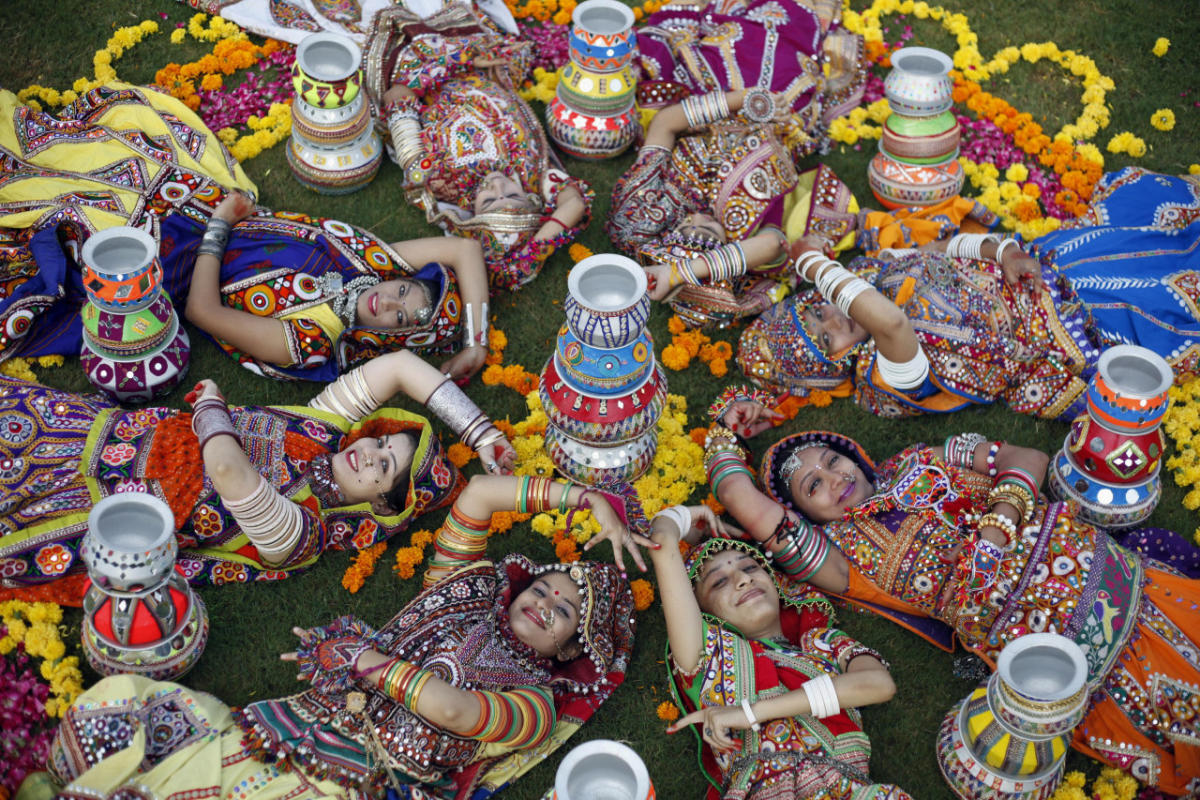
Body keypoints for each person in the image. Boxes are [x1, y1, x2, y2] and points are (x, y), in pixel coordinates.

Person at [700, 397, 1200, 794]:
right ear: (803, 515)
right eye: (815, 486)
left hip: (1119, 575)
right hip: (1061, 647)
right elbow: (736, 497)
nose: (837, 479)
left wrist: (1001, 519)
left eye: (834, 461)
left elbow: (1024, 458)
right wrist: (725, 430)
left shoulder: (921, 461)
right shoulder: (837, 558)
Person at [39, 475, 637, 799]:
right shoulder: (461, 592)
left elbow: (454, 709)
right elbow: (480, 494)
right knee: (122, 701)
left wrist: (362, 658)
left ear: (568, 650)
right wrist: (585, 499)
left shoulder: (535, 705)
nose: (547, 603)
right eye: (547, 588)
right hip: (287, 728)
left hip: (356, 783)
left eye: (566, 613)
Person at [0, 84, 491, 384]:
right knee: (121, 149)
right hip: (208, 210)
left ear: (389, 341)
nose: (391, 301)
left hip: (180, 263)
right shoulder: (366, 263)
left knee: (70, 206)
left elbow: (202, 311)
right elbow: (464, 248)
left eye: (402, 317)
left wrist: (219, 225)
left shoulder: (313, 340)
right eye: (404, 289)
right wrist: (477, 342)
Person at [0, 345, 516, 589]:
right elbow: (400, 365)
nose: (372, 452)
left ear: (379, 503)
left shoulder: (305, 532)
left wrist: (209, 410)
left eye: (384, 468)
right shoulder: (320, 427)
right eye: (383, 443)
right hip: (95, 433)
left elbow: (228, 475)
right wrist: (481, 432)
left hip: (108, 508)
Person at [737, 167, 1200, 419]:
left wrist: (1003, 253)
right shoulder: (887, 376)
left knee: (1149, 228)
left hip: (1039, 270)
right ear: (830, 367)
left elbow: (942, 248)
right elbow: (891, 321)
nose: (835, 319)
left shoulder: (872, 273)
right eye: (824, 340)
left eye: (818, 311)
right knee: (1168, 293)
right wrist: (813, 262)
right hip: (1074, 330)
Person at [646, 504, 914, 800]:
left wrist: (751, 713)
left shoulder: (821, 642)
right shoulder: (709, 657)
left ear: (776, 584)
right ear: (703, 613)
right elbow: (662, 544)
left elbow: (878, 685)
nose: (743, 579)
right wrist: (683, 517)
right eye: (719, 582)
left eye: (749, 567)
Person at [365, 4, 593, 291]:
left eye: (489, 201)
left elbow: (398, 94)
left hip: (429, 71)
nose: (498, 186)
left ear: (470, 211)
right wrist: (533, 253)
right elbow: (574, 203)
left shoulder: (439, 180)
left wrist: (460, 61)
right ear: (533, 200)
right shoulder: (533, 176)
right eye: (512, 195)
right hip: (486, 65)